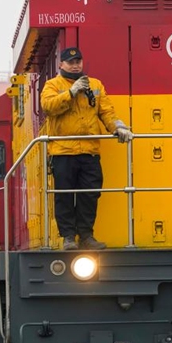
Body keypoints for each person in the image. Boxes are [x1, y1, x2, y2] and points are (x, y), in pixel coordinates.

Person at [40, 47, 133, 250]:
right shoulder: (52, 85)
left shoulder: (95, 85)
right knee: (64, 195)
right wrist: (71, 93)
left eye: (78, 61)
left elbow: (106, 111)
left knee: (90, 194)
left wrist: (118, 127)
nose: (75, 65)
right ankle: (67, 237)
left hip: (89, 152)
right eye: (71, 62)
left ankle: (86, 236)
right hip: (63, 152)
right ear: (61, 65)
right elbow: (48, 107)